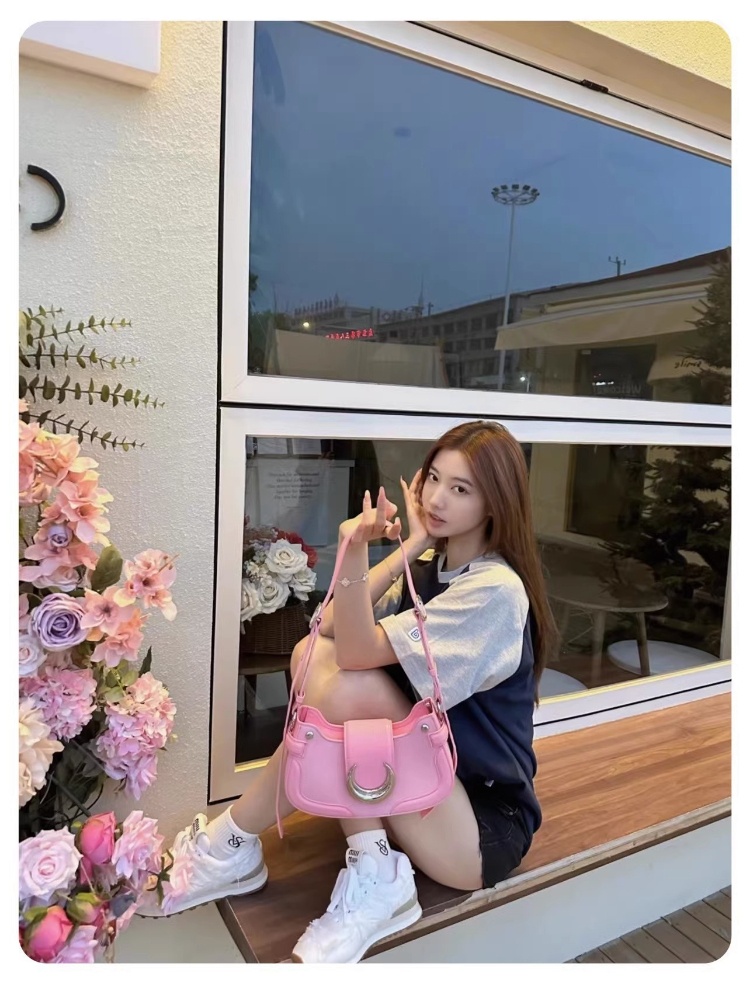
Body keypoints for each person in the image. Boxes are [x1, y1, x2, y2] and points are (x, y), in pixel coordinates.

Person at [138, 420, 557, 963]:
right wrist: (414, 543)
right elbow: (328, 626)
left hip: (475, 831)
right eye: (433, 478)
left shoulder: (494, 590)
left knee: (347, 687)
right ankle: (356, 862)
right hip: (423, 791)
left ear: (496, 501)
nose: (435, 499)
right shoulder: (434, 567)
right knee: (310, 656)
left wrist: (354, 547)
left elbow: (356, 655)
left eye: (461, 489)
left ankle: (233, 844)